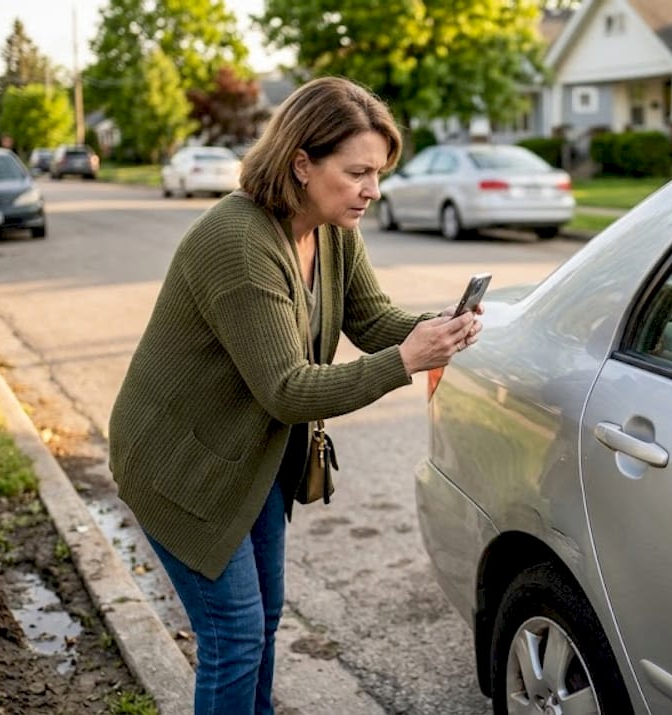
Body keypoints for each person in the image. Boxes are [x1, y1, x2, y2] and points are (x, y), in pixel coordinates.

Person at [107, 76, 481, 714]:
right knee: (234, 635)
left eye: (378, 173)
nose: (372, 190)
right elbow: (287, 390)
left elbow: (371, 320)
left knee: (264, 620)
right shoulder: (238, 243)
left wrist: (440, 326)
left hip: (251, 462)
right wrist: (407, 360)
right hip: (182, 468)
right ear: (302, 163)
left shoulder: (332, 228)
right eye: (358, 172)